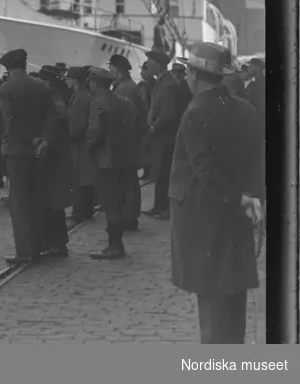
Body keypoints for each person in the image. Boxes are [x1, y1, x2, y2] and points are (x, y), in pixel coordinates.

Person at [168, 42, 265, 344]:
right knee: (233, 294)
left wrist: (235, 197)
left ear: (195, 75)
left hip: (204, 215)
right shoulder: (245, 109)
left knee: (211, 303)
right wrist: (249, 197)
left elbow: (205, 170)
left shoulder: (196, 111)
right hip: (238, 213)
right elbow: (258, 159)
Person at [0, 49, 50, 265]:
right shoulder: (41, 86)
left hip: (18, 151)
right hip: (40, 151)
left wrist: (30, 139)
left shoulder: (6, 89)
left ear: (7, 67)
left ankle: (25, 252)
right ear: (25, 64)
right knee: (37, 198)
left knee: (19, 202)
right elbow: (51, 116)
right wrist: (42, 139)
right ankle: (39, 247)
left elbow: (11, 123)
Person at [85, 67, 139, 261]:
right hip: (125, 158)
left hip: (106, 161)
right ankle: (116, 243)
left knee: (110, 203)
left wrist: (88, 147)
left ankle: (115, 245)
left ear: (93, 82)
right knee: (119, 200)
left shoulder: (97, 103)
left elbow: (95, 132)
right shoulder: (125, 102)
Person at [35, 66, 75, 258]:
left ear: (47, 82)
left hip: (54, 158)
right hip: (56, 156)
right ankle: (55, 242)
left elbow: (56, 124)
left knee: (52, 202)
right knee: (51, 202)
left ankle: (57, 244)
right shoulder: (55, 97)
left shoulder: (54, 100)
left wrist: (45, 140)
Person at [144, 50, 187, 221]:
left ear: (159, 64)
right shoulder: (162, 81)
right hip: (162, 137)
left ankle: (165, 209)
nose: (147, 65)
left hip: (166, 137)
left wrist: (155, 125)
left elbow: (169, 113)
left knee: (165, 173)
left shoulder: (167, 84)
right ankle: (158, 206)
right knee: (160, 172)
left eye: (150, 61)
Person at [110, 53, 148, 228]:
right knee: (129, 180)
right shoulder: (128, 87)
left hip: (125, 143)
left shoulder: (125, 89)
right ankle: (129, 215)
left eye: (112, 69)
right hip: (129, 142)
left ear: (118, 71)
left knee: (126, 181)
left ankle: (129, 216)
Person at [65, 66, 97, 222]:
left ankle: (80, 211)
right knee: (85, 178)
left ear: (75, 81)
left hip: (80, 146)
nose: (66, 80)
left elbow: (76, 126)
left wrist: (65, 139)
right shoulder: (84, 95)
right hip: (84, 144)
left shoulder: (80, 98)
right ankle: (87, 209)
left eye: (68, 78)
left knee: (79, 179)